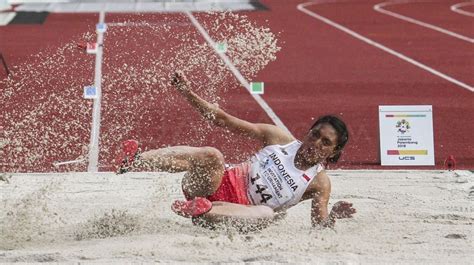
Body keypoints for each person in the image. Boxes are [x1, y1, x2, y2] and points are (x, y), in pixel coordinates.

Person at [116, 71, 356, 231]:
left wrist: (332, 216)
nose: (315, 143)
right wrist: (188, 93)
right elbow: (222, 120)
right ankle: (136, 160)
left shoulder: (319, 183)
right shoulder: (278, 138)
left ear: (332, 153)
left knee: (267, 214)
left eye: (325, 143)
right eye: (315, 135)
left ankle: (204, 212)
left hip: (237, 215)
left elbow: (319, 226)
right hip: (210, 187)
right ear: (308, 132)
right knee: (213, 155)